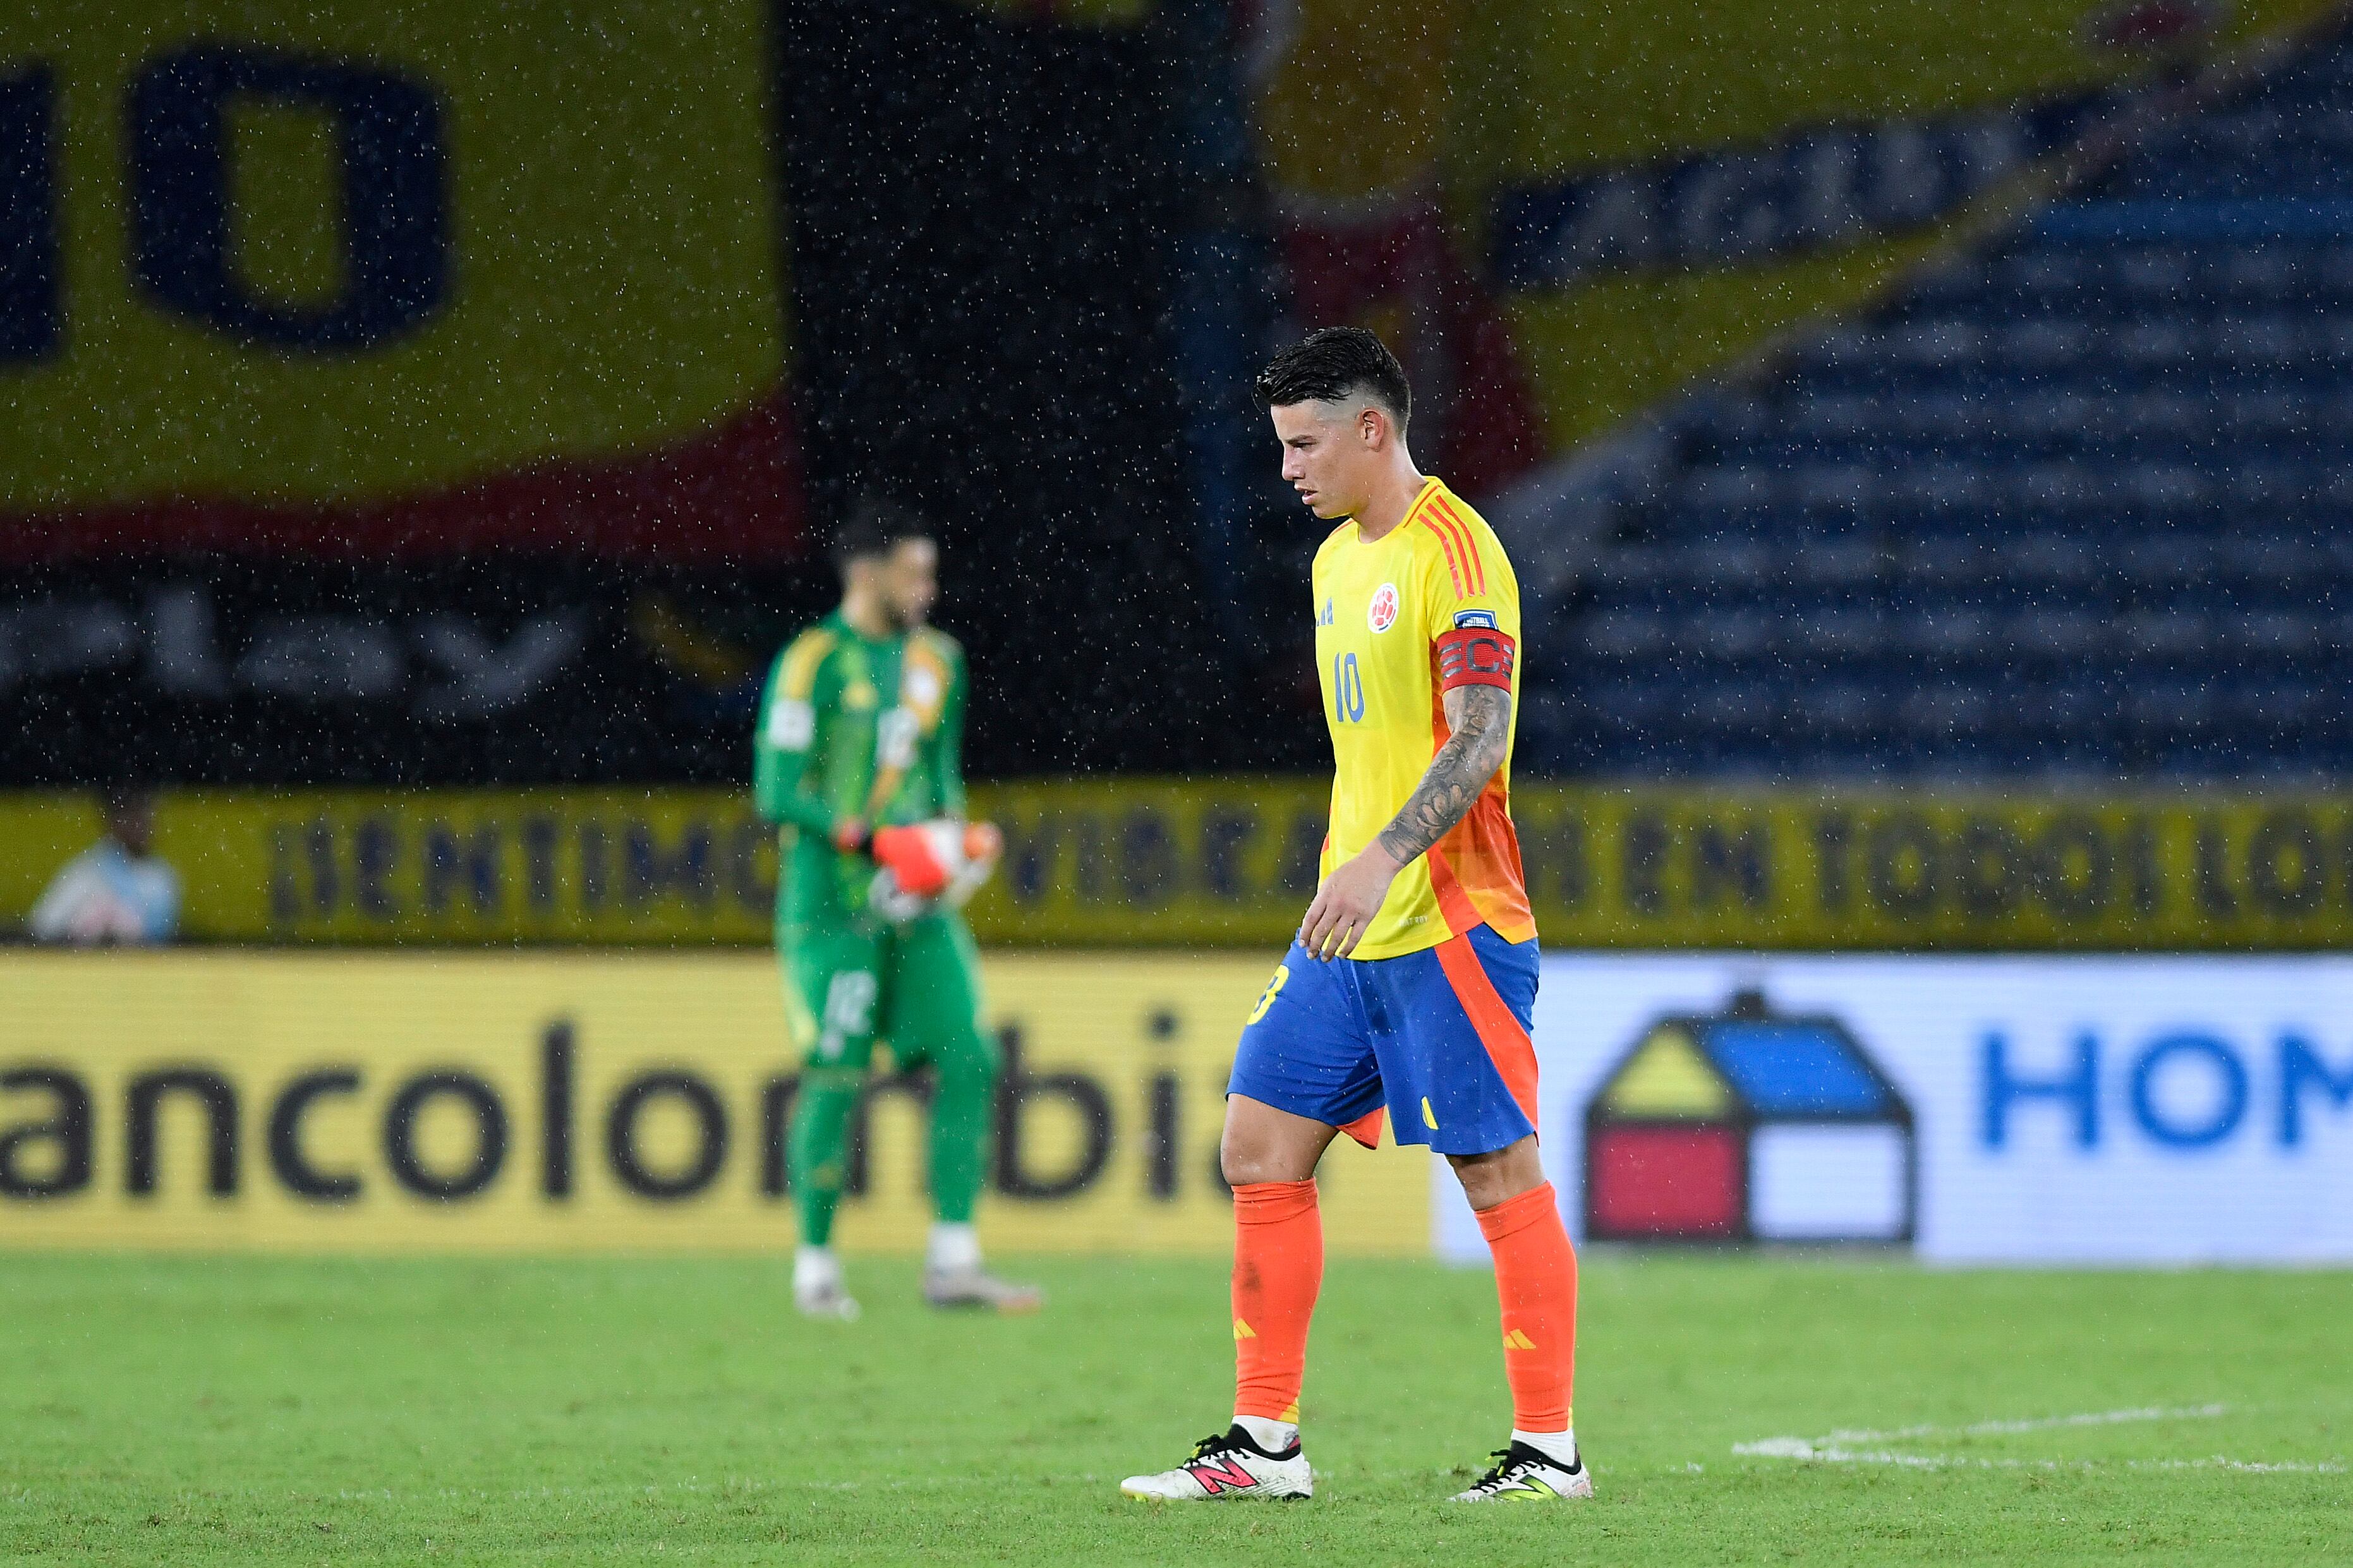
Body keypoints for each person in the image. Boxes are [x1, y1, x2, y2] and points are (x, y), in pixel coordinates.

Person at [1121, 329, 1585, 1503]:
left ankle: (1550, 1453)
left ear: (1372, 429)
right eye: (1280, 445)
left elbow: (1480, 736)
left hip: (1448, 917)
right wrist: (1353, 864)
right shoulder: (1335, 559)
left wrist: (1382, 856)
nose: (1286, 468)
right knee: (1256, 1146)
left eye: (1303, 443)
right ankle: (1263, 1444)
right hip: (1346, 926)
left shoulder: (1457, 553)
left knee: (1495, 1168)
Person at [753, 502, 1041, 1319]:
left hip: (916, 908)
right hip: (833, 909)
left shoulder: (938, 662)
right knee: (836, 1070)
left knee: (971, 1058)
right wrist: (873, 841)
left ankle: (954, 1262)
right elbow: (778, 792)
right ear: (866, 570)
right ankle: (816, 1269)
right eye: (913, 572)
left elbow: (941, 778)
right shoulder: (812, 662)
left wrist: (958, 849)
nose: (927, 589)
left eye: (930, 573)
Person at [28, 787, 181, 945]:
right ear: (113, 823)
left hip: (149, 959)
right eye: (132, 817)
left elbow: (165, 936)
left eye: (146, 816)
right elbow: (43, 927)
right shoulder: (88, 871)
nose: (140, 825)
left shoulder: (163, 874)